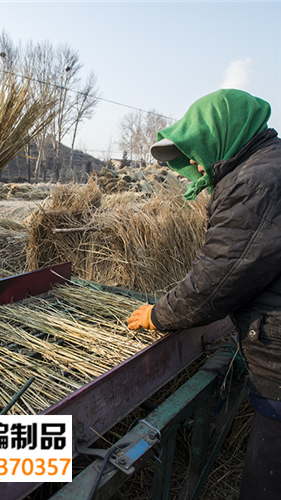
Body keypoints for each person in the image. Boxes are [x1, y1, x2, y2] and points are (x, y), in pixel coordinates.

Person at [126, 89, 281, 500]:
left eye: (196, 151)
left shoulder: (256, 181)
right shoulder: (268, 165)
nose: (193, 165)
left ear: (221, 136)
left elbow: (218, 279)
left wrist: (158, 314)